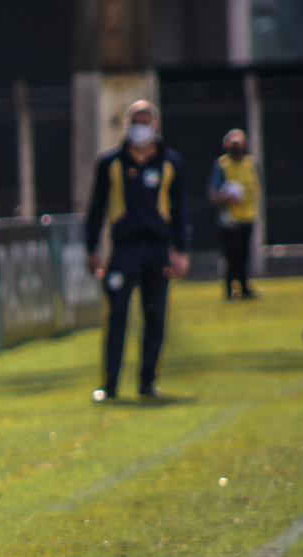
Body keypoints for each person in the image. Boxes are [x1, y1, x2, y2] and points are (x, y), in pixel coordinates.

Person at [85, 99, 190, 402]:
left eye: (145, 122)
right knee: (117, 315)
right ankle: (110, 385)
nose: (139, 128)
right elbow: (96, 209)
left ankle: (147, 383)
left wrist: (181, 250)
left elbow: (180, 210)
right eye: (135, 122)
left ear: (155, 126)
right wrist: (92, 248)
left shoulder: (171, 162)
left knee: (155, 316)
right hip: (124, 249)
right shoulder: (110, 163)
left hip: (157, 248)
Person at [207, 129, 260, 301]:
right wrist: (225, 198)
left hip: (247, 217)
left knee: (244, 255)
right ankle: (229, 288)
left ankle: (244, 287)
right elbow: (213, 193)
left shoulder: (251, 164)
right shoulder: (222, 165)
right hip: (229, 219)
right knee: (230, 255)